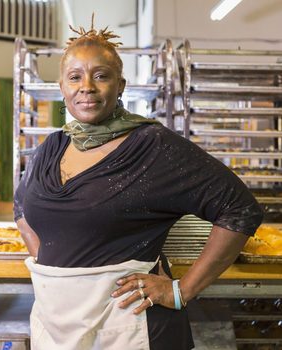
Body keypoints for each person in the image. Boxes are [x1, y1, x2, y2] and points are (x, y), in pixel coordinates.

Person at [14, 18, 264, 350]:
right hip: (58, 321)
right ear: (62, 87)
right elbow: (21, 208)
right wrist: (56, 273)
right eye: (75, 77)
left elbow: (240, 210)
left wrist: (181, 290)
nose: (86, 86)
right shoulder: (51, 148)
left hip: (130, 323)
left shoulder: (153, 147)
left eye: (101, 75)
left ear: (121, 85)